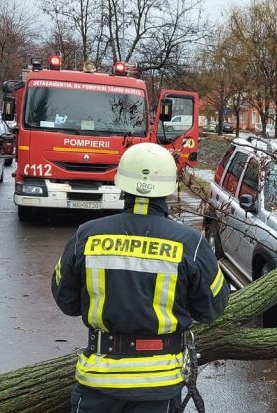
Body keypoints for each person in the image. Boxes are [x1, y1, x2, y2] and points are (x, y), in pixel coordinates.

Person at [52, 142, 229, 413]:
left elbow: (66, 301)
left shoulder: (86, 235)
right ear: (169, 188)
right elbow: (212, 308)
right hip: (159, 386)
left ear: (121, 184)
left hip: (98, 381)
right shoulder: (190, 244)